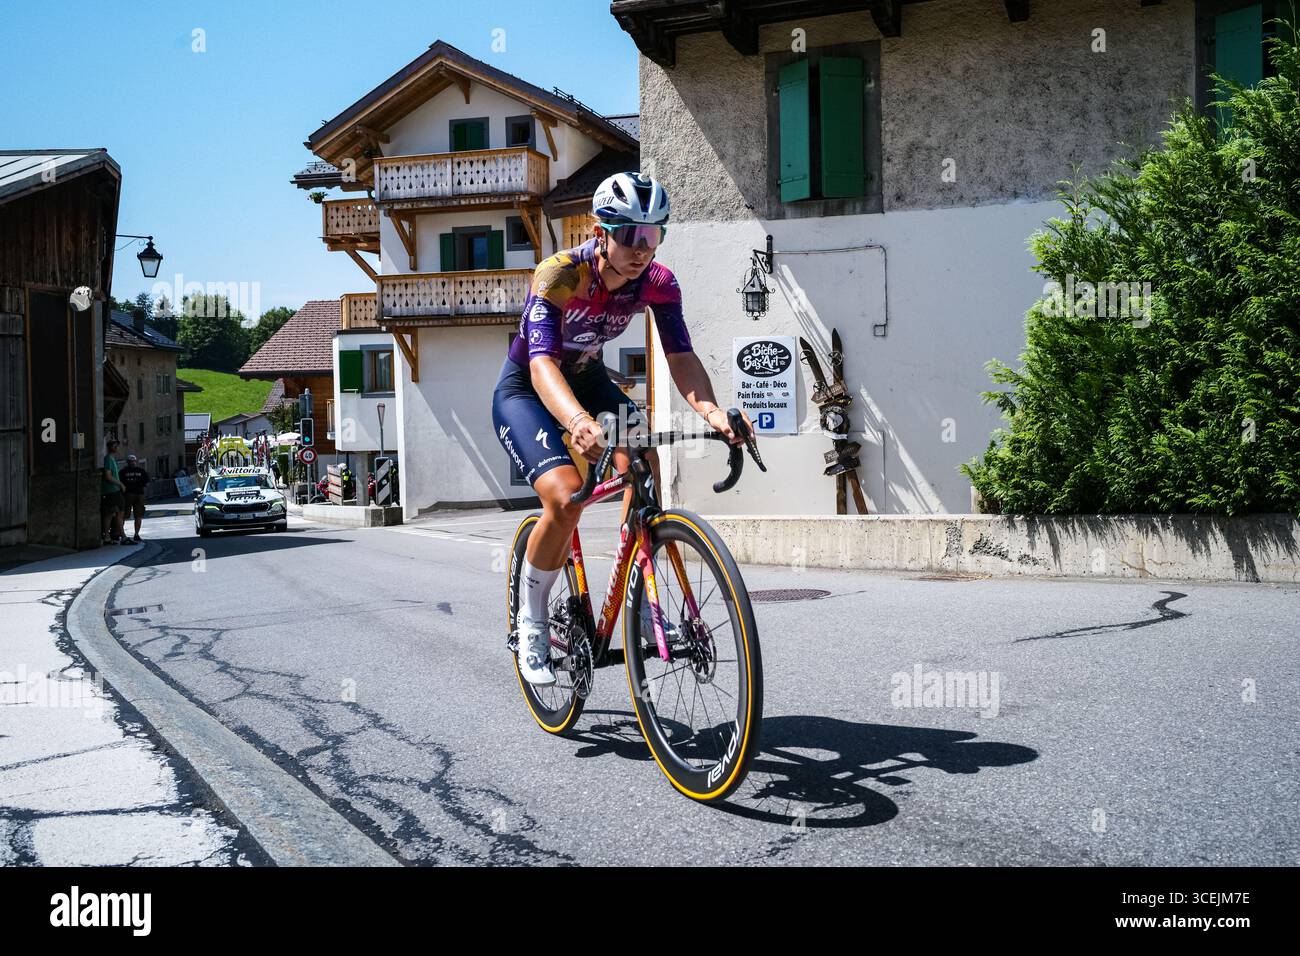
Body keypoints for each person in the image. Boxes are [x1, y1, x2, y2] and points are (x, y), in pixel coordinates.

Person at [491, 171, 753, 686]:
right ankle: (532, 621)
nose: (642, 249)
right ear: (599, 232)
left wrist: (714, 414)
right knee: (565, 499)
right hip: (527, 390)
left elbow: (681, 356)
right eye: (631, 235)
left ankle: (635, 566)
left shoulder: (657, 283)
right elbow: (542, 364)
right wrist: (578, 422)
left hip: (588, 381)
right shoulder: (559, 275)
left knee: (644, 459)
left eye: (654, 235)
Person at [100, 439, 127, 545]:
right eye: (114, 446)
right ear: (109, 447)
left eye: (117, 446)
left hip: (112, 491)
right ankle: (122, 536)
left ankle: (108, 536)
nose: (116, 448)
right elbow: (108, 476)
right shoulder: (108, 459)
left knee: (111, 513)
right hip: (112, 491)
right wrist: (120, 484)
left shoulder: (111, 459)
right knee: (118, 513)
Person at [119, 454, 151, 543]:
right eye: (132, 461)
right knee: (138, 515)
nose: (133, 463)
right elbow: (147, 483)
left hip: (128, 494)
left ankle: (122, 534)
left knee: (124, 515)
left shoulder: (123, 472)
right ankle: (136, 535)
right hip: (138, 494)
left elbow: (119, 483)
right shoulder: (141, 471)